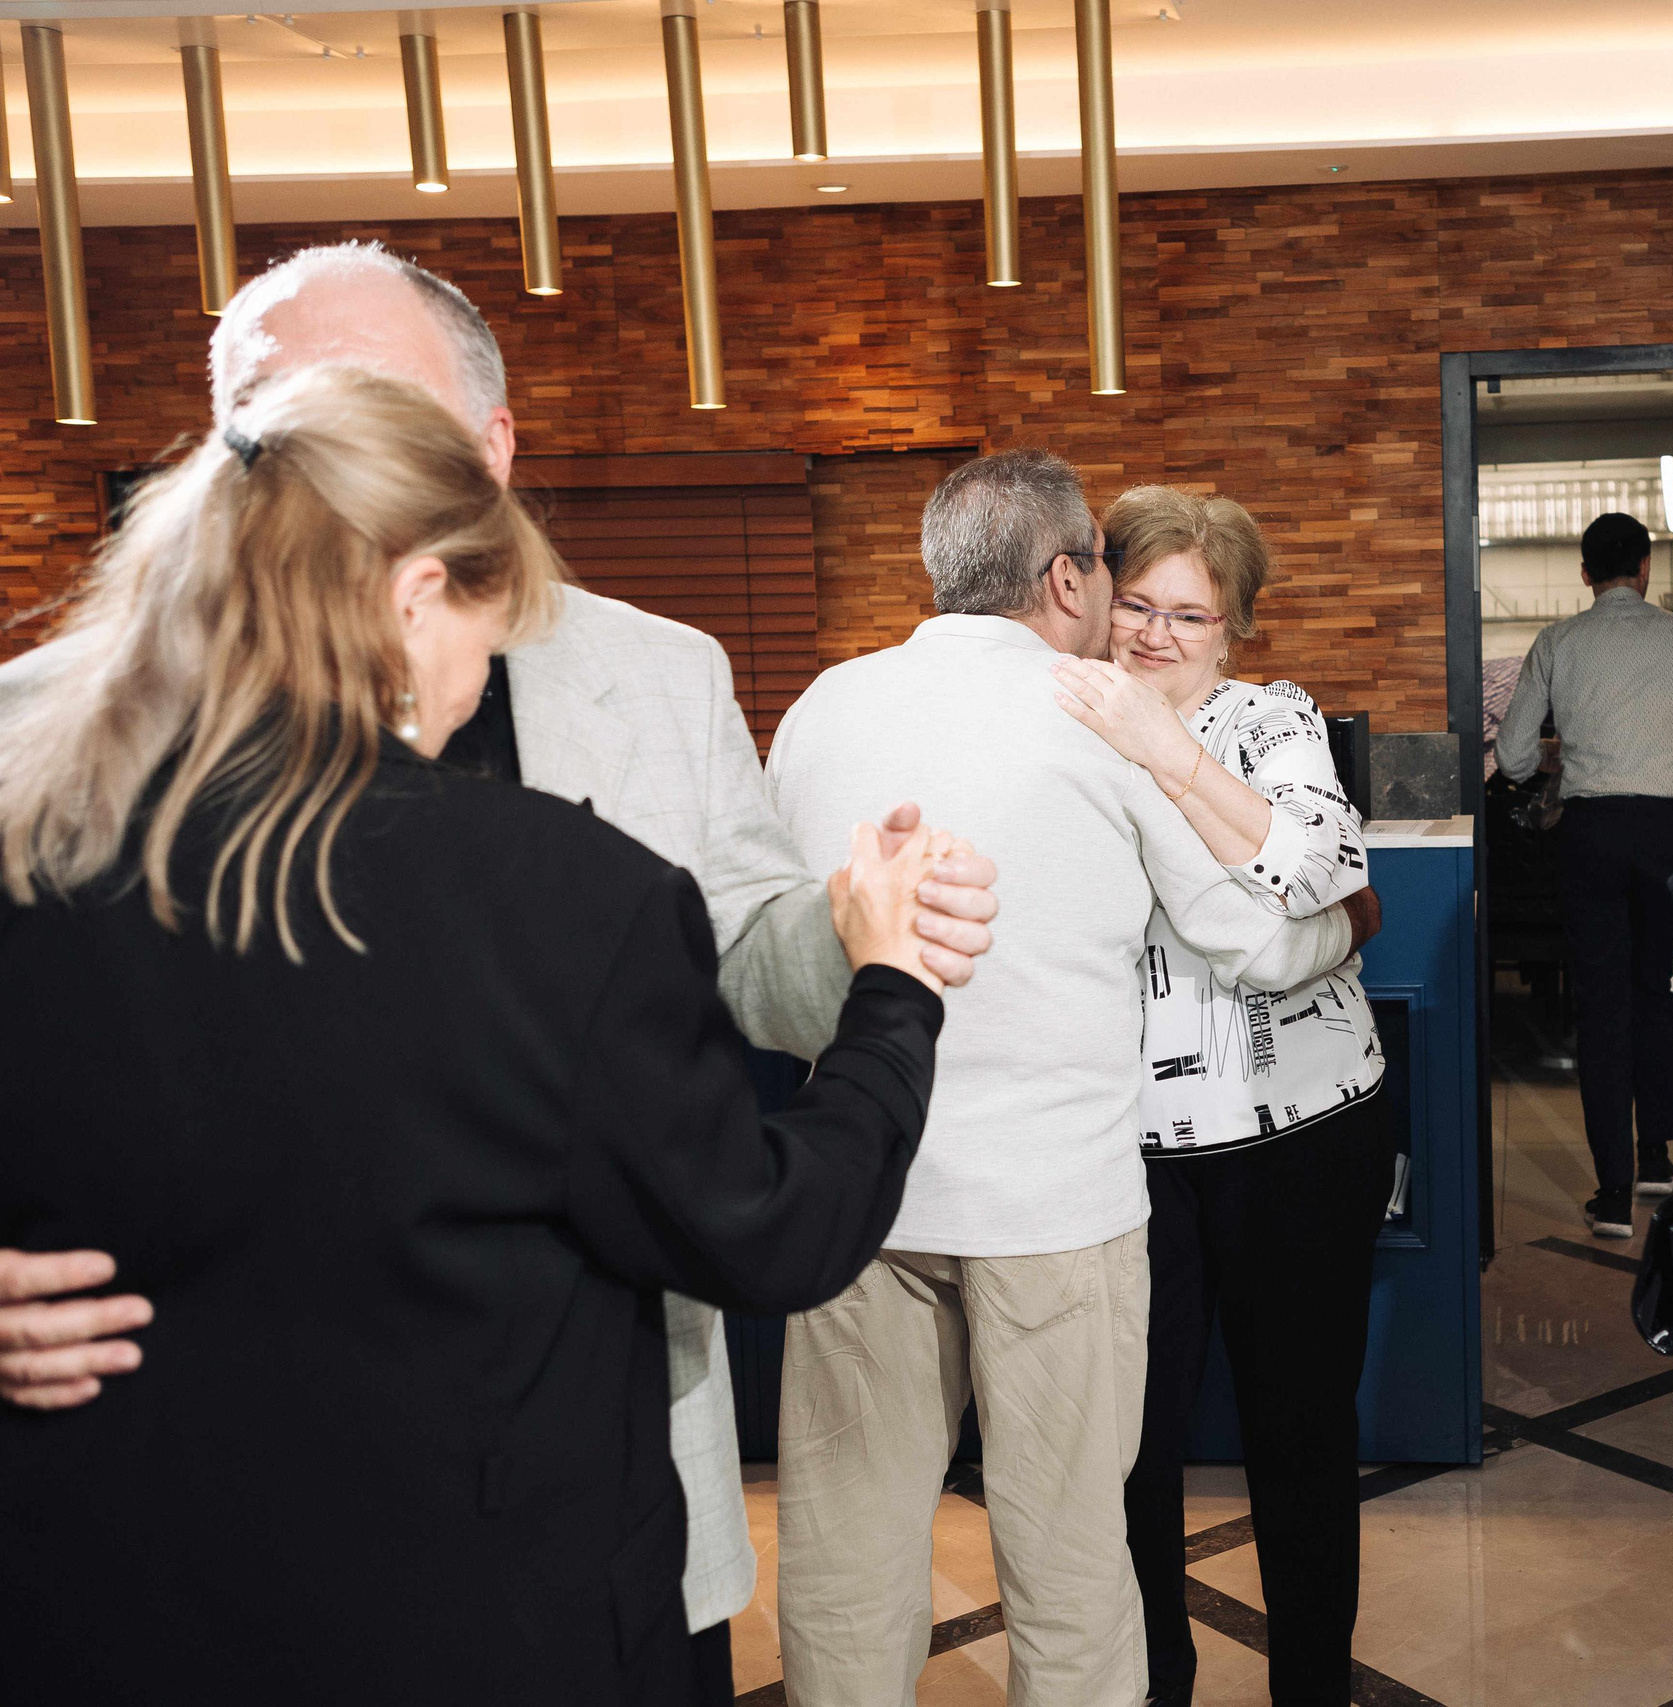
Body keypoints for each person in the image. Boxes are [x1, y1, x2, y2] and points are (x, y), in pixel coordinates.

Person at [0, 241, 1000, 1701]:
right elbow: (772, 1217)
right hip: (170, 1541)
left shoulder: (660, 671)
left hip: (561, 1488)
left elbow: (733, 948)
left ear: (490, 446)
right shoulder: (34, 731)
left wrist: (853, 929)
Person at [761, 450, 1365, 1707]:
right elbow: (1251, 931)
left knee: (846, 1545)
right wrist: (1346, 930)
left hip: (860, 1181)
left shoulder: (822, 704)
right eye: (1115, 580)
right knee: (1071, 1556)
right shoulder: (1089, 715)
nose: (1136, 619)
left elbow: (771, 925)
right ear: (1067, 575)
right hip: (1053, 1207)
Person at [1049, 485, 1390, 1707]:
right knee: (1128, 1457)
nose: (1154, 635)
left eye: (1189, 616)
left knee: (1300, 1434)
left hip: (1305, 1137)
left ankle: (1310, 1687)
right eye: (1134, 603)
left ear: (1231, 630)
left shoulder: (1269, 719)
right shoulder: (1055, 717)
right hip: (1126, 1157)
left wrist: (1167, 753)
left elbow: (1321, 870)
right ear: (1089, 598)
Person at [1493, 511, 1673, 1237]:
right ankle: (1656, 1155)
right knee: (1652, 989)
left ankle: (1613, 1190)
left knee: (1601, 1004)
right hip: (1666, 835)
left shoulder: (1558, 641)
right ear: (1646, 568)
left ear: (1586, 573)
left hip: (1590, 835)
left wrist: (1561, 768)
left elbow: (1514, 755)